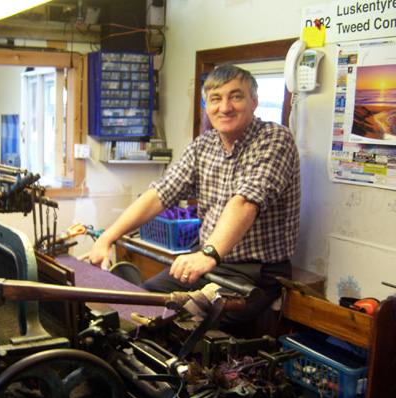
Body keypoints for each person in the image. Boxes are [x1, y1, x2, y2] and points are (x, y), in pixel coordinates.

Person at [81, 64, 301, 333]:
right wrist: (107, 238)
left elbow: (245, 202)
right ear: (206, 105)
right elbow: (159, 195)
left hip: (254, 274)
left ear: (254, 102)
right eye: (215, 99)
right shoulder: (204, 145)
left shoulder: (275, 139)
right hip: (207, 264)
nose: (225, 107)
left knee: (185, 325)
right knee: (138, 307)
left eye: (236, 96)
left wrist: (209, 253)